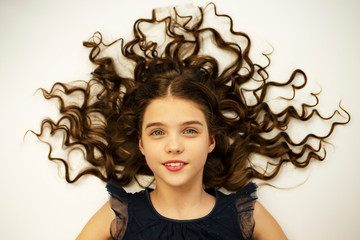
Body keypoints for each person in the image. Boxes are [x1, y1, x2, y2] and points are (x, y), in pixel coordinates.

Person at [33, 3, 349, 240]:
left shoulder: (246, 215)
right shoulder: (119, 216)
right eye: (157, 132)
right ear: (141, 144)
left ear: (211, 141)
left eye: (189, 130)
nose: (174, 145)